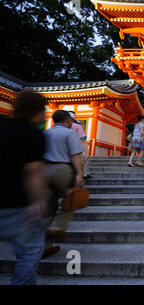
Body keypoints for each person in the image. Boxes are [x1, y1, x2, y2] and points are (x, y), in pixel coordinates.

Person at [0, 90, 48, 284]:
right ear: (35, 111)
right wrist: (37, 200)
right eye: (43, 110)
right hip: (18, 203)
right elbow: (33, 171)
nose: (45, 114)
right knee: (30, 250)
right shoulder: (33, 134)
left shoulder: (2, 128)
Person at [42, 110, 84, 258]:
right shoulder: (69, 133)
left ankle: (44, 246)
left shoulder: (45, 133)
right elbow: (75, 154)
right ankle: (58, 227)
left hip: (45, 169)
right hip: (62, 169)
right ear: (67, 120)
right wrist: (79, 173)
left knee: (48, 207)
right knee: (71, 200)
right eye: (71, 120)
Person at [68, 111, 90, 178]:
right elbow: (82, 139)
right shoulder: (77, 126)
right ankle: (83, 174)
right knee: (83, 159)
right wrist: (87, 152)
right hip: (76, 147)